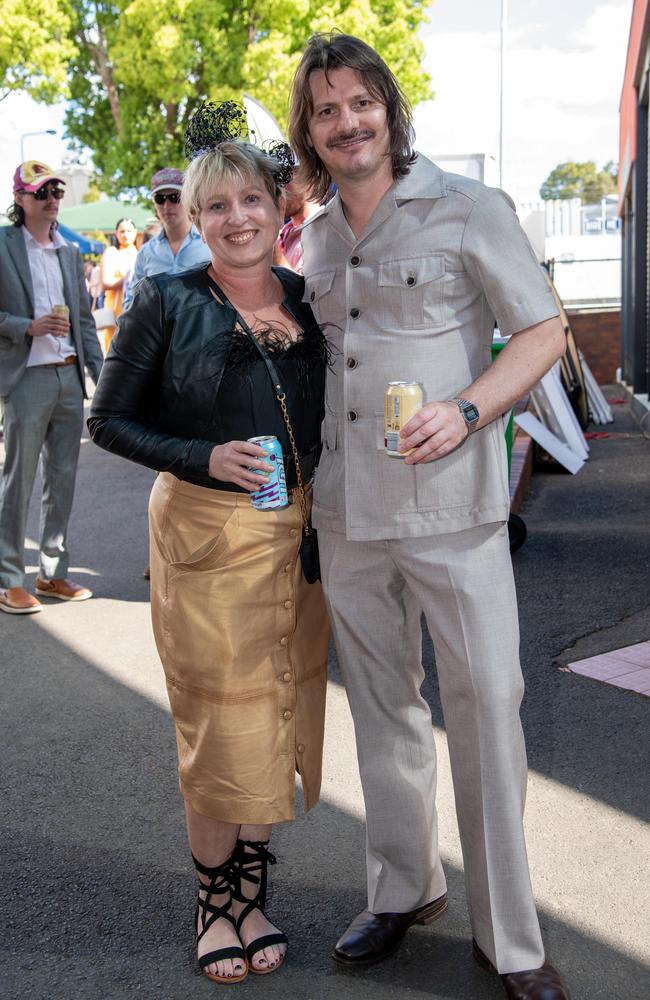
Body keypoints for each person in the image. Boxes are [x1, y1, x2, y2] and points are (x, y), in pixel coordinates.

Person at [288, 33, 569, 1000]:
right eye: (325, 110)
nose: (346, 122)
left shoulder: (467, 208)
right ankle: (404, 887)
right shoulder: (315, 236)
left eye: (360, 102)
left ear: (388, 109)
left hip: (454, 512)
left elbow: (544, 329)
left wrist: (472, 408)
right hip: (352, 512)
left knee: (487, 708)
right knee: (382, 710)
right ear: (310, 130)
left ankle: (511, 934)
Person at [88, 106, 329, 985]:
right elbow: (106, 419)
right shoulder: (167, 298)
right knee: (216, 724)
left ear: (277, 207)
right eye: (216, 205)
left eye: (251, 200)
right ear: (196, 215)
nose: (236, 218)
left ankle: (254, 896)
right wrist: (203, 454)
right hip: (204, 538)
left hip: (293, 540)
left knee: (277, 713)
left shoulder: (303, 297)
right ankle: (214, 905)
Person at [0, 160, 103, 614]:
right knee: (18, 482)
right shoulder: (2, 246)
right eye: (41, 192)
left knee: (61, 481)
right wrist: (28, 326)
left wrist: (104, 380)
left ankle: (51, 572)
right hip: (26, 379)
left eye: (57, 191)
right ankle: (8, 580)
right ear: (20, 199)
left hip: (67, 376)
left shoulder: (69, 252)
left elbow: (82, 319)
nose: (52, 199)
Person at [121, 167, 211, 311]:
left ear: (188, 199)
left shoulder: (209, 243)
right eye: (160, 199)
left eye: (175, 197)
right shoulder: (146, 253)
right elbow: (130, 302)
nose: (167, 206)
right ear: (154, 204)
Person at [100, 217, 138, 352]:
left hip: (135, 311)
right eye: (122, 231)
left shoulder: (141, 254)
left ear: (135, 232)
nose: (125, 234)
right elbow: (105, 282)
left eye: (129, 231)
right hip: (115, 310)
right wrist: (128, 280)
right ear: (116, 233)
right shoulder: (111, 253)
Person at [273, 176, 320, 274]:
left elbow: (306, 287)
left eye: (285, 179)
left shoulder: (325, 229)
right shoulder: (285, 231)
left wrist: (272, 249)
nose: (278, 189)